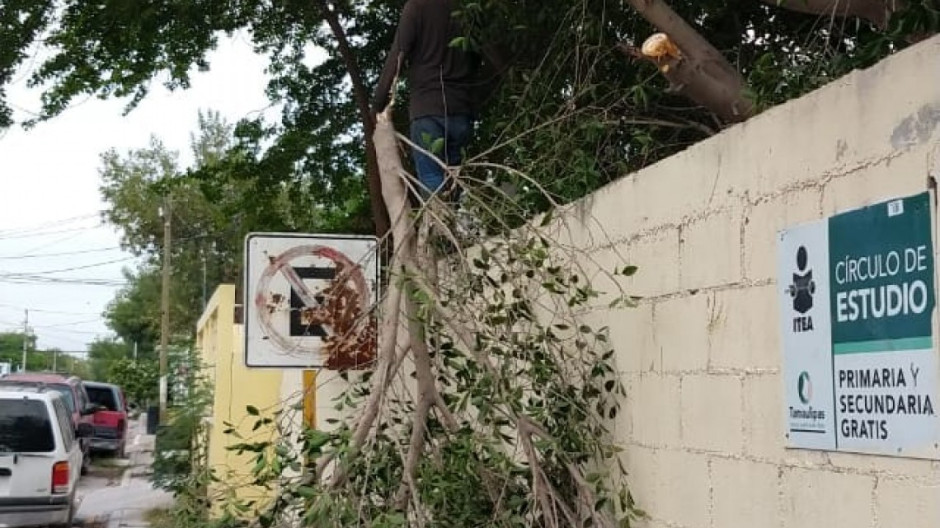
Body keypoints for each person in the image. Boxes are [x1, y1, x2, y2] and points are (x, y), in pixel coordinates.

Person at [372, 0, 489, 200]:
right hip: (461, 111)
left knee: (431, 177)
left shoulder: (417, 6)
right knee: (454, 179)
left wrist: (378, 103)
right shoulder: (467, 9)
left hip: (427, 110)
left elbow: (397, 55)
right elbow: (482, 55)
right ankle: (450, 225)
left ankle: (439, 229)